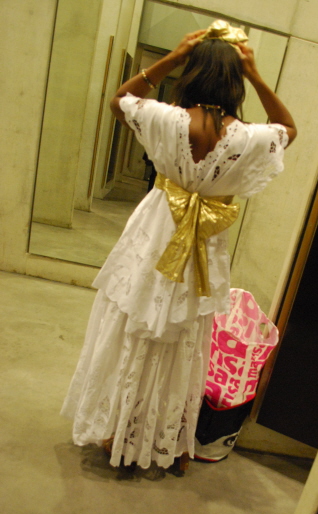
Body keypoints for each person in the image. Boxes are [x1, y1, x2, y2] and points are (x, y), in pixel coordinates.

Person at [61, 21, 296, 478]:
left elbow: (120, 100)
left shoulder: (168, 120)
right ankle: (165, 439)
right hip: (202, 250)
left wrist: (171, 57)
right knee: (183, 340)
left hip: (154, 236)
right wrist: (255, 74)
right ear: (235, 81)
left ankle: (115, 430)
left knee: (132, 326)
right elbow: (287, 128)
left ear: (192, 71)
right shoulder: (247, 138)